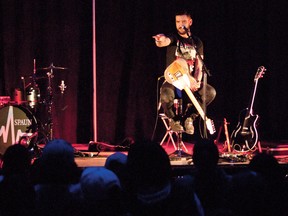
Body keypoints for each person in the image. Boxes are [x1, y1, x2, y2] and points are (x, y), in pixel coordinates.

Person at [153, 10, 216, 135]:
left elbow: (199, 64)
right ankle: (173, 120)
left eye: (183, 21)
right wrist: (160, 40)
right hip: (173, 79)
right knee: (166, 93)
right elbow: (164, 41)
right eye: (177, 22)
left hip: (190, 81)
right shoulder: (174, 38)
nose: (180, 24)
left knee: (210, 92)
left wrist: (197, 81)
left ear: (190, 22)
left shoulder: (197, 42)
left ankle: (189, 118)